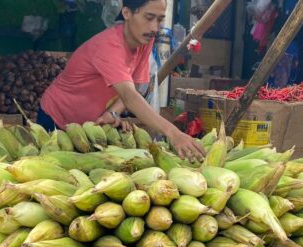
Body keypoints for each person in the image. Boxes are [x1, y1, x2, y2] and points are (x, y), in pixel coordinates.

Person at [39, 0, 205, 161]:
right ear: (126, 13)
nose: (154, 27)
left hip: (89, 127)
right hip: (56, 118)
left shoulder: (144, 40)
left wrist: (112, 113)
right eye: (149, 18)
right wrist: (173, 133)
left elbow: (136, 84)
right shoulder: (109, 46)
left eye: (160, 19)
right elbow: (129, 96)